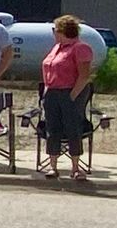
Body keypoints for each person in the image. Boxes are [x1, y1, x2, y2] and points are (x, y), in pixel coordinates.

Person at [39, 14, 96, 181]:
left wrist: (72, 96)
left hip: (70, 91)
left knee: (73, 127)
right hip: (52, 91)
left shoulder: (80, 48)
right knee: (52, 128)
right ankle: (53, 166)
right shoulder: (57, 47)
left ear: (64, 31)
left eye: (55, 30)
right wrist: (47, 89)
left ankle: (76, 167)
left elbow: (84, 75)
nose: (53, 33)